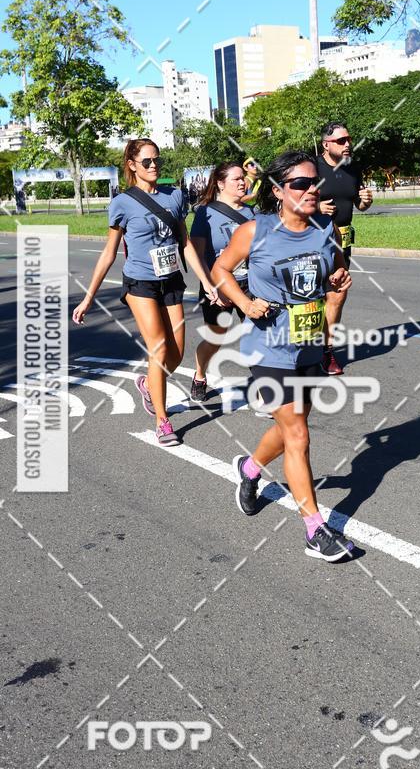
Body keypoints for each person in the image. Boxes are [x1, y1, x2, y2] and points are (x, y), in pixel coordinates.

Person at [212, 150, 355, 562]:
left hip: (309, 338)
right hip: (268, 346)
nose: (312, 190)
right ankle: (315, 529)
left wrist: (338, 277)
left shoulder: (325, 227)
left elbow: (337, 268)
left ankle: (250, 469)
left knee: (295, 424)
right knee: (297, 434)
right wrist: (244, 301)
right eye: (300, 184)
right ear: (277, 191)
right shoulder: (256, 232)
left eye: (315, 183)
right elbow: (221, 270)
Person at [72, 138, 209, 445]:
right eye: (147, 162)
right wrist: (89, 297)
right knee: (158, 349)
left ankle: (148, 383)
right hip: (140, 283)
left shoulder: (174, 196)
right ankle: (162, 421)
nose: (154, 166)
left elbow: (185, 243)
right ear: (132, 165)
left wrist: (208, 282)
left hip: (172, 279)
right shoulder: (122, 202)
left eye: (157, 160)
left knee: (176, 352)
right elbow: (109, 253)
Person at [189, 162, 254, 402]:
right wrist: (211, 286)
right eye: (236, 178)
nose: (242, 182)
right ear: (220, 183)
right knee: (216, 337)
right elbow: (196, 253)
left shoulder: (251, 213)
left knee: (256, 335)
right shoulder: (206, 212)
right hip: (218, 285)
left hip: (249, 283)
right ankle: (199, 375)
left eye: (243, 178)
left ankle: (263, 387)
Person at [316, 121, 373, 375]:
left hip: (342, 242)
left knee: (337, 295)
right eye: (341, 141)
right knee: (310, 299)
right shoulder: (312, 168)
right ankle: (304, 349)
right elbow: (289, 200)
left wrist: (364, 202)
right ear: (326, 144)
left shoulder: (353, 169)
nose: (348, 144)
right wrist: (315, 208)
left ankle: (328, 352)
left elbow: (357, 205)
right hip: (313, 241)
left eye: (349, 139)